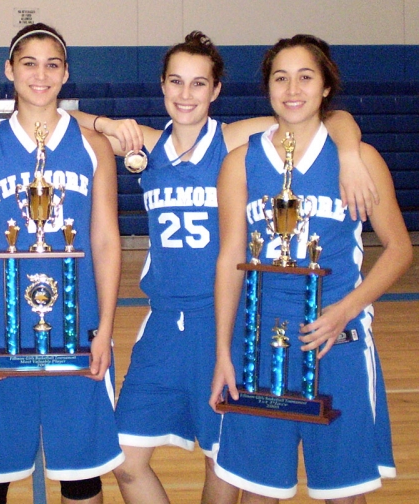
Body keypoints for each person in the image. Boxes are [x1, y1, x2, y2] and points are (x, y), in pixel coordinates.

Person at [72, 31, 376, 504]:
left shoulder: (236, 140)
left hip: (227, 322)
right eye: (176, 82)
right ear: (162, 86)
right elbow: (59, 120)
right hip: (163, 326)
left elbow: (328, 115)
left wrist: (352, 153)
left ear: (215, 91)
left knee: (225, 463)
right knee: (124, 458)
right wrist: (109, 122)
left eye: (199, 84)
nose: (185, 94)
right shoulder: (148, 146)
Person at [209, 34, 412, 503]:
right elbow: (229, 261)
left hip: (336, 346)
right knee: (259, 492)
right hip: (258, 349)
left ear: (325, 87)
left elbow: (400, 249)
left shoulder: (358, 160)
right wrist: (223, 349)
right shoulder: (240, 163)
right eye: (280, 77)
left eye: (306, 76)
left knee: (343, 493)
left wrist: (346, 310)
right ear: (268, 88)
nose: (292, 87)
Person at [0, 23, 124, 504]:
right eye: (29, 63)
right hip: (1, 324)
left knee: (81, 473)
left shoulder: (95, 146)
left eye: (52, 64)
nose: (41, 74)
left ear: (66, 73)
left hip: (80, 325)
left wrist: (107, 328)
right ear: (9, 70)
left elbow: (106, 241)